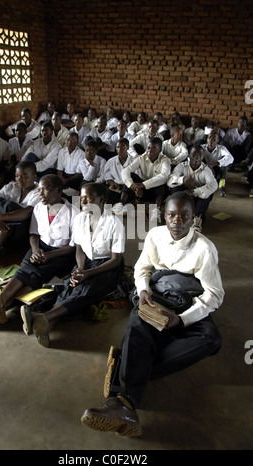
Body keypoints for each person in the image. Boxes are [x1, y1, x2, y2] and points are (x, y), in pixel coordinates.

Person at [81, 191, 224, 437]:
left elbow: (214, 294)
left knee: (210, 339)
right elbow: (142, 268)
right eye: (171, 215)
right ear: (163, 216)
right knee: (138, 326)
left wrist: (182, 319)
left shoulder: (205, 248)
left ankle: (124, 368)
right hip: (156, 295)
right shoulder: (155, 235)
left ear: (194, 219)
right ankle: (123, 404)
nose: (177, 221)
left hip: (187, 301)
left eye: (184, 216)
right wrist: (144, 292)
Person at [20, 182, 125, 347]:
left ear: (101, 199)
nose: (82, 202)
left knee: (85, 289)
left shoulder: (114, 223)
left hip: (107, 266)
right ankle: (47, 326)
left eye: (87, 198)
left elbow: (116, 260)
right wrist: (81, 269)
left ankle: (43, 317)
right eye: (81, 198)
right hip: (86, 262)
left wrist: (88, 273)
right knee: (68, 285)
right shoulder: (80, 219)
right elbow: (79, 249)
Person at [0, 175, 79, 327]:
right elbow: (34, 234)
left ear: (58, 190)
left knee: (36, 274)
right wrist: (36, 250)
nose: (40, 193)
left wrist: (49, 255)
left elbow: (72, 246)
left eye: (45, 189)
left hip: (60, 255)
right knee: (27, 268)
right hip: (40, 248)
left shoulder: (73, 213)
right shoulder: (38, 208)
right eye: (39, 190)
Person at [113, 137, 171, 222]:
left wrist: (143, 184)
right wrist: (133, 186)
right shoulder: (142, 158)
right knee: (131, 176)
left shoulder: (165, 160)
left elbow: (164, 176)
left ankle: (155, 210)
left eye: (154, 148)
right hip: (142, 191)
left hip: (157, 194)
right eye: (148, 148)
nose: (150, 151)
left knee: (161, 182)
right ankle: (122, 204)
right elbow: (125, 171)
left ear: (160, 150)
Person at [167, 145, 218, 232]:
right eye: (194, 154)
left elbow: (214, 185)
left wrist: (193, 192)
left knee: (206, 194)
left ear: (203, 157)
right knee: (175, 188)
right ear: (189, 156)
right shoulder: (182, 166)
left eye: (200, 155)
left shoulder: (206, 170)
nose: (197, 157)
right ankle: (176, 213)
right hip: (183, 197)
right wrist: (183, 180)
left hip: (197, 198)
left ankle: (197, 219)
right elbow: (170, 181)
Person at [201, 130, 234, 197]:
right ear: (207, 139)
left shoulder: (221, 148)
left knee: (224, 165)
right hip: (204, 170)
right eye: (209, 138)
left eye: (214, 139)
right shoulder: (201, 147)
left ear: (217, 141)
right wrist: (207, 167)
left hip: (216, 170)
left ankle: (221, 185)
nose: (211, 140)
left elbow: (231, 158)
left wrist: (214, 164)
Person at [104, 138, 135, 205]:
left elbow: (135, 177)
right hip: (116, 188)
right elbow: (107, 176)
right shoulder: (111, 161)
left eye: (123, 147)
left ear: (128, 147)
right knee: (107, 194)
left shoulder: (134, 161)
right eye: (118, 147)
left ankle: (121, 204)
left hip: (128, 189)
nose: (120, 150)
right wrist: (112, 183)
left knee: (127, 190)